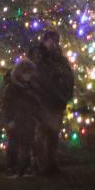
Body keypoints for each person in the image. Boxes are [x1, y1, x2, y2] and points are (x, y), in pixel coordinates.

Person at [31, 30, 74, 176]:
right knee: (43, 132)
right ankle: (40, 165)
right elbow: (40, 78)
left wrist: (65, 93)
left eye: (56, 41)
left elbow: (68, 75)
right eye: (51, 41)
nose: (54, 44)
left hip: (57, 101)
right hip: (44, 100)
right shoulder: (39, 58)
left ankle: (51, 164)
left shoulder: (60, 59)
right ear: (45, 41)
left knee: (53, 134)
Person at [2, 51, 38, 178]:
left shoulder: (30, 86)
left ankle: (26, 167)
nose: (27, 76)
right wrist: (10, 119)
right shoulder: (12, 87)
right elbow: (7, 105)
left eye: (29, 73)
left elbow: (35, 102)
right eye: (25, 73)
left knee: (27, 143)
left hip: (28, 120)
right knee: (14, 143)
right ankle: (12, 167)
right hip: (16, 120)